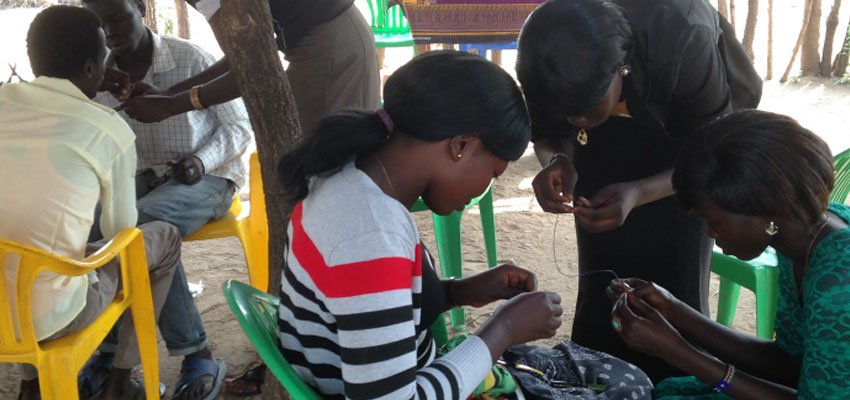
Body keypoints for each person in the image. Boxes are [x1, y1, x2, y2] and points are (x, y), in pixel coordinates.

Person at [275, 51, 563, 399]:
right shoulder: (369, 235)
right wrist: (506, 328)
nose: (483, 189)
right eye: (492, 174)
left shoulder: (345, 179)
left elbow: (376, 311)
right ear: (461, 145)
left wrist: (460, 292)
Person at [515, 0, 762, 381]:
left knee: (674, 289)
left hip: (685, 147)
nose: (576, 120)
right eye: (567, 111)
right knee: (603, 287)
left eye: (584, 107)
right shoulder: (547, 46)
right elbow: (548, 131)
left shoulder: (682, 35)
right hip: (604, 147)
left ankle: (674, 379)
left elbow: (713, 147)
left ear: (621, 66)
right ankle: (598, 376)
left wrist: (640, 191)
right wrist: (558, 159)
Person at [0, 7, 180, 400]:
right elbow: (122, 234)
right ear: (90, 68)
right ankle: (119, 382)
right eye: (102, 60)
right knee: (161, 239)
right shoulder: (106, 128)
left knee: (21, 250)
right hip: (53, 317)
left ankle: (32, 385)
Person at [608, 109, 850, 399]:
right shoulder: (800, 234)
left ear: (766, 212)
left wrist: (681, 354)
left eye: (715, 221)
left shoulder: (838, 281)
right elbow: (788, 362)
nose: (711, 234)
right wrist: (673, 310)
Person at [85, 0, 252, 240]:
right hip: (149, 177)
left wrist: (200, 161)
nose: (111, 32)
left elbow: (239, 126)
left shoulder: (191, 58)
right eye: (101, 26)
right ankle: (114, 276)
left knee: (143, 223)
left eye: (118, 18)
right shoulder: (100, 79)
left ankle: (115, 276)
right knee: (90, 225)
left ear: (140, 8)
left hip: (210, 176)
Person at [116, 0, 381, 140]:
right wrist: (168, 93)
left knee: (328, 171)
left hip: (331, 47)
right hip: (333, 41)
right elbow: (243, 57)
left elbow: (252, 70)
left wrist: (171, 105)